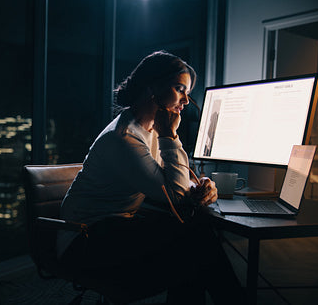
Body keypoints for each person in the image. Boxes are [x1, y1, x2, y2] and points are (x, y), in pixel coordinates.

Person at [57, 50, 245, 304]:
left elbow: (178, 185)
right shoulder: (123, 138)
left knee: (195, 244)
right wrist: (170, 136)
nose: (186, 101)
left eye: (187, 93)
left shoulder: (149, 130)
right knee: (195, 245)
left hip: (117, 229)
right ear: (152, 87)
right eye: (180, 89)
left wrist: (202, 186)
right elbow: (177, 196)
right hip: (85, 241)